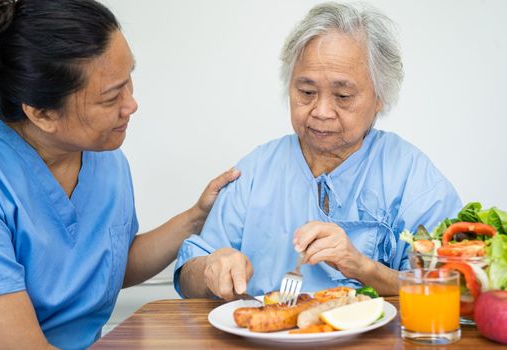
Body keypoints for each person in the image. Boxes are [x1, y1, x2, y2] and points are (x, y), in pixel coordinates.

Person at [0, 0, 239, 349]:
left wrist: (197, 217)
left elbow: (108, 265)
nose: (131, 104)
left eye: (129, 79)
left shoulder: (104, 158)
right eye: (111, 97)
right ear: (42, 114)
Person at [174, 2, 461, 301]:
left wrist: (363, 267)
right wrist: (211, 267)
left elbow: (448, 288)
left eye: (343, 96)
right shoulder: (256, 169)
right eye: (307, 92)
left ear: (380, 97)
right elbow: (189, 272)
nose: (321, 111)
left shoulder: (411, 176)